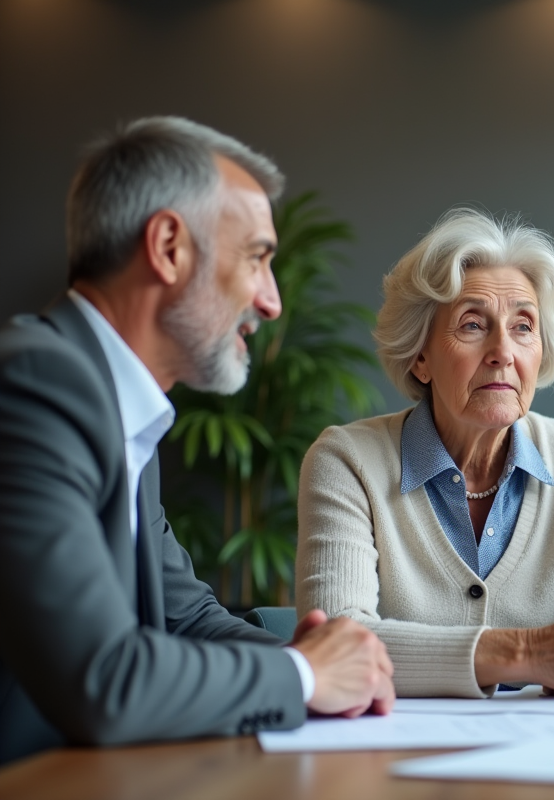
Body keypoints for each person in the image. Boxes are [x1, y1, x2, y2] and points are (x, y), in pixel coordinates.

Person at [0, 117, 394, 766]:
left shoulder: (121, 410)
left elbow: (186, 619)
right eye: (258, 258)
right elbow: (104, 679)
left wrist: (333, 661)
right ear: (169, 247)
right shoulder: (36, 384)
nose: (271, 303)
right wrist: (305, 677)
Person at [296, 208, 554, 698]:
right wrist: (527, 654)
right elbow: (335, 646)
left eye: (523, 326)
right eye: (473, 325)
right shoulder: (347, 460)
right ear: (420, 357)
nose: (503, 352)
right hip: (389, 761)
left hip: (538, 756)